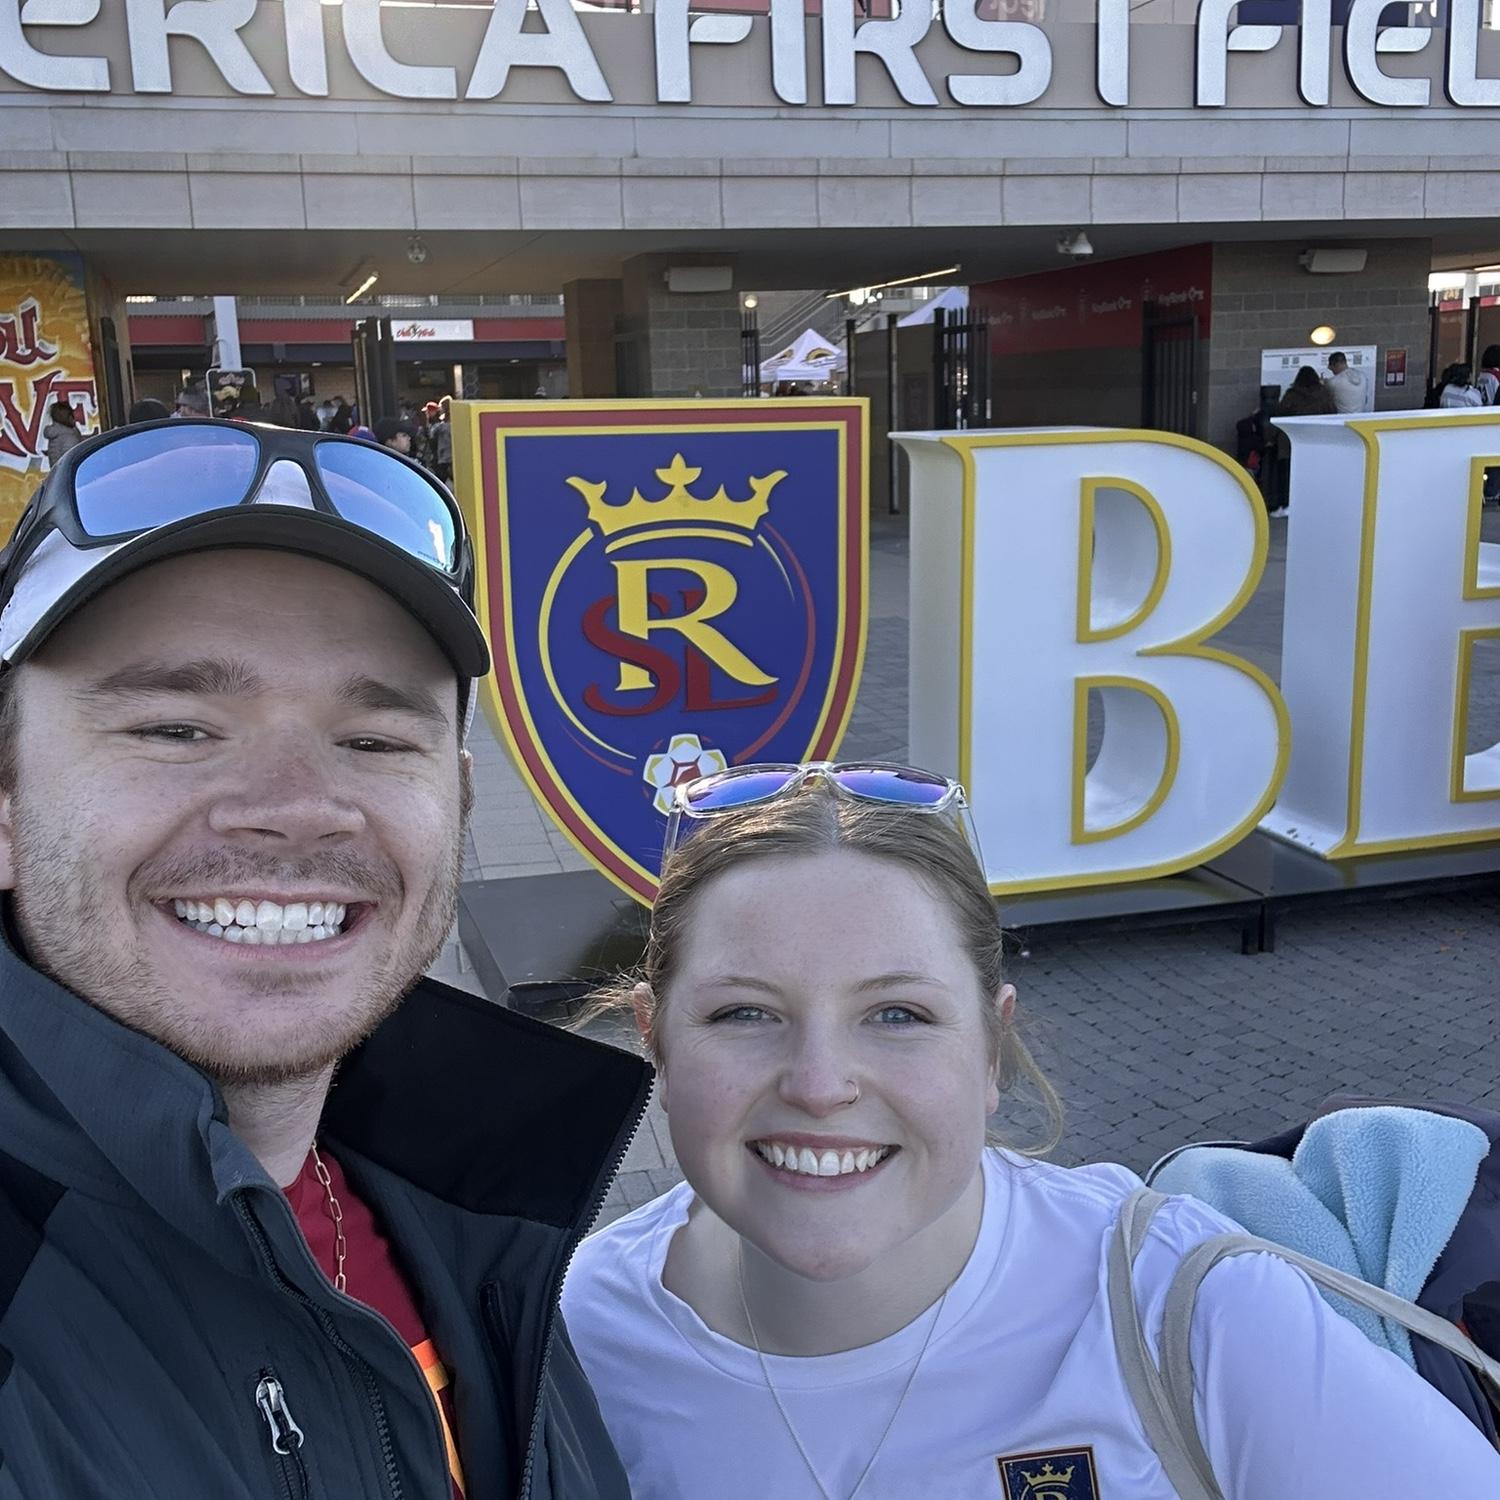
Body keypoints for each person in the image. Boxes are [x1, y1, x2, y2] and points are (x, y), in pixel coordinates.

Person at [0, 419, 646, 1498]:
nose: (298, 809)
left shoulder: (463, 1210)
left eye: (376, 741)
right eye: (177, 728)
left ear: (460, 806)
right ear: (8, 805)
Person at [561, 763, 1500, 1499]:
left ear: (993, 1051)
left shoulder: (1185, 1311)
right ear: (656, 1040)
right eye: (743, 1015)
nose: (818, 1085)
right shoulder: (568, 1339)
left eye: (898, 1015)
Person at [40, 400, 83, 465]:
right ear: (67, 417)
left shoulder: (57, 433)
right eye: (71, 415)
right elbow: (72, 461)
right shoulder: (69, 437)